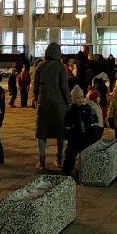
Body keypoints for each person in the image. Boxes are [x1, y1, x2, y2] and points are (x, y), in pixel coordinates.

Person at [34, 42, 70, 171]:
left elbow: (35, 87)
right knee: (60, 133)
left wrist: (36, 99)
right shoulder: (60, 67)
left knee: (42, 133)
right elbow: (65, 88)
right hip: (59, 104)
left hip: (43, 104)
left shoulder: (40, 66)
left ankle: (42, 161)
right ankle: (59, 159)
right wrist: (69, 102)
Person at [61, 90, 103, 177]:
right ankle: (66, 172)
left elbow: (94, 122)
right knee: (70, 155)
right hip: (74, 137)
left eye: (80, 98)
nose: (79, 100)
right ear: (73, 99)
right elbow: (66, 125)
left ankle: (85, 172)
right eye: (76, 98)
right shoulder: (70, 110)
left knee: (85, 155)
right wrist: (66, 137)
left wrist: (94, 134)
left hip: (86, 137)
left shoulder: (88, 109)